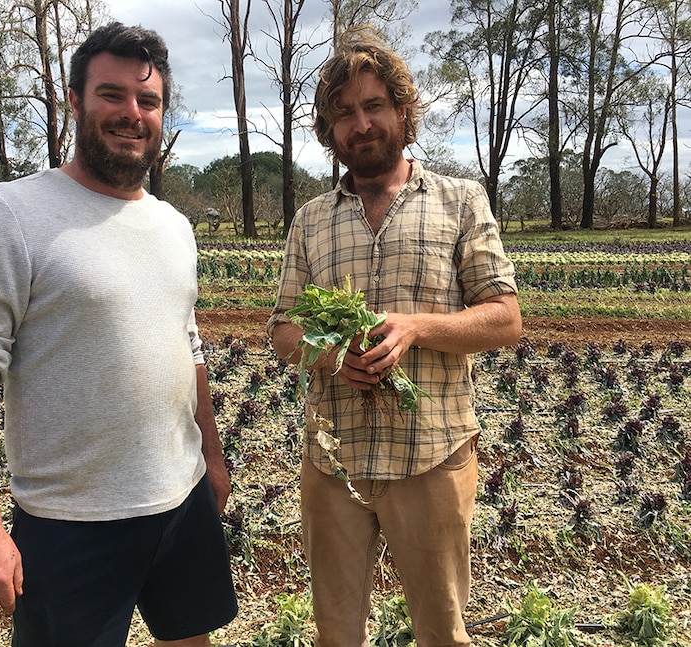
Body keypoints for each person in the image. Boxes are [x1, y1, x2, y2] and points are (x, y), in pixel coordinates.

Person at [0, 21, 237, 647]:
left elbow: (188, 342)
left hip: (179, 501)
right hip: (69, 521)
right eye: (112, 94)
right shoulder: (10, 213)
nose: (132, 113)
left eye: (147, 101)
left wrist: (209, 452)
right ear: (74, 101)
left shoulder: (173, 226)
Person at [267, 25, 522, 647]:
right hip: (334, 464)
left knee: (442, 634)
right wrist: (329, 355)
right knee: (336, 636)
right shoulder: (312, 219)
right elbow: (282, 328)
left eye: (374, 105)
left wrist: (415, 327)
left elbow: (506, 318)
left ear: (403, 112)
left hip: (431, 458)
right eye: (344, 113)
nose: (361, 124)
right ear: (330, 132)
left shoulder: (460, 201)